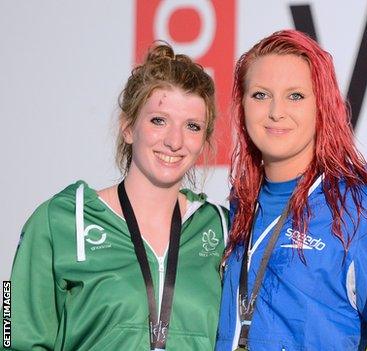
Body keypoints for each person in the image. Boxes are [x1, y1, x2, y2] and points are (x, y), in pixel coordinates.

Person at [9, 43, 228, 350]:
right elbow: (12, 333)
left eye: (192, 126)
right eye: (159, 120)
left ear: (204, 140)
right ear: (128, 128)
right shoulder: (59, 222)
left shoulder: (221, 229)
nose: (175, 141)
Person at [215, 30, 367, 351]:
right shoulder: (239, 204)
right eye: (261, 95)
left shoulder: (356, 210)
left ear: (322, 106)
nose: (276, 111)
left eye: (295, 96)